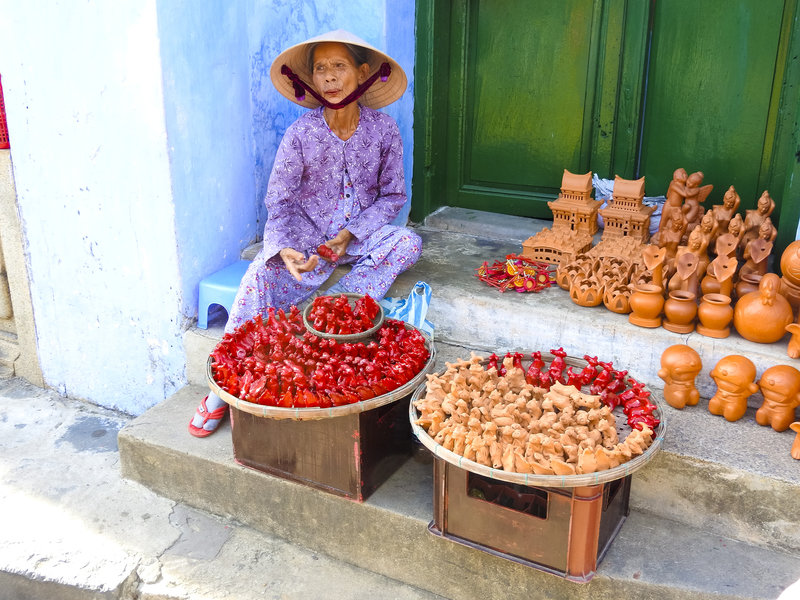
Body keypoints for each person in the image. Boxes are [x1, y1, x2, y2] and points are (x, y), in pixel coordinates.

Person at [189, 30, 421, 436]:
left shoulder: (384, 130)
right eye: (321, 69)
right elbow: (279, 201)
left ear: (363, 72)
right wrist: (282, 249)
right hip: (309, 240)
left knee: (407, 243)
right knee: (261, 271)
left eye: (339, 66)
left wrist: (351, 233)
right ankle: (224, 381)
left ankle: (329, 308)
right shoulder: (301, 133)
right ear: (312, 81)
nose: (330, 77)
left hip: (361, 238)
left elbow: (393, 196)